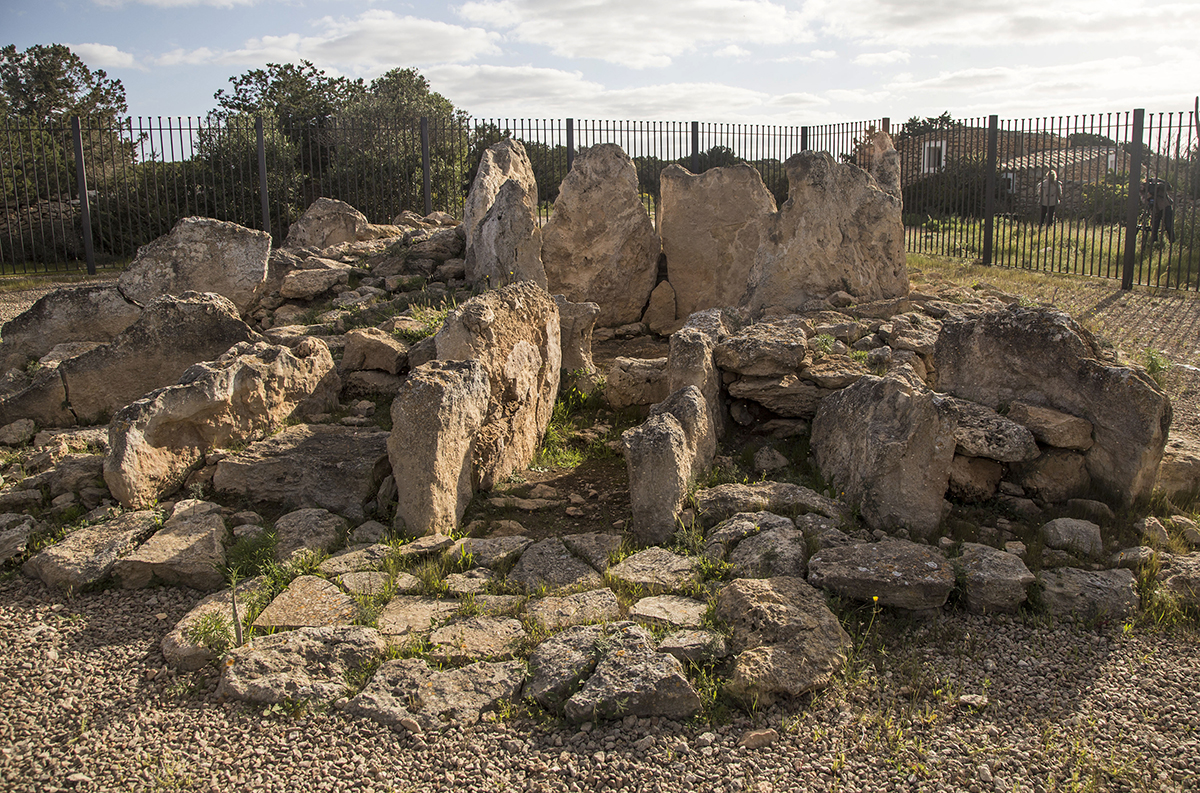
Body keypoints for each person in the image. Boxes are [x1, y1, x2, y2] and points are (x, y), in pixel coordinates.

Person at [1141, 177, 1175, 243]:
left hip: (1165, 206)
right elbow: (1143, 199)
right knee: (1154, 227)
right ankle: (1154, 243)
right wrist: (1149, 195)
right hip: (1154, 208)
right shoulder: (1143, 187)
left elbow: (1169, 187)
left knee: (1169, 225)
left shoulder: (1157, 182)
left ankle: (1172, 241)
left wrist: (1159, 184)